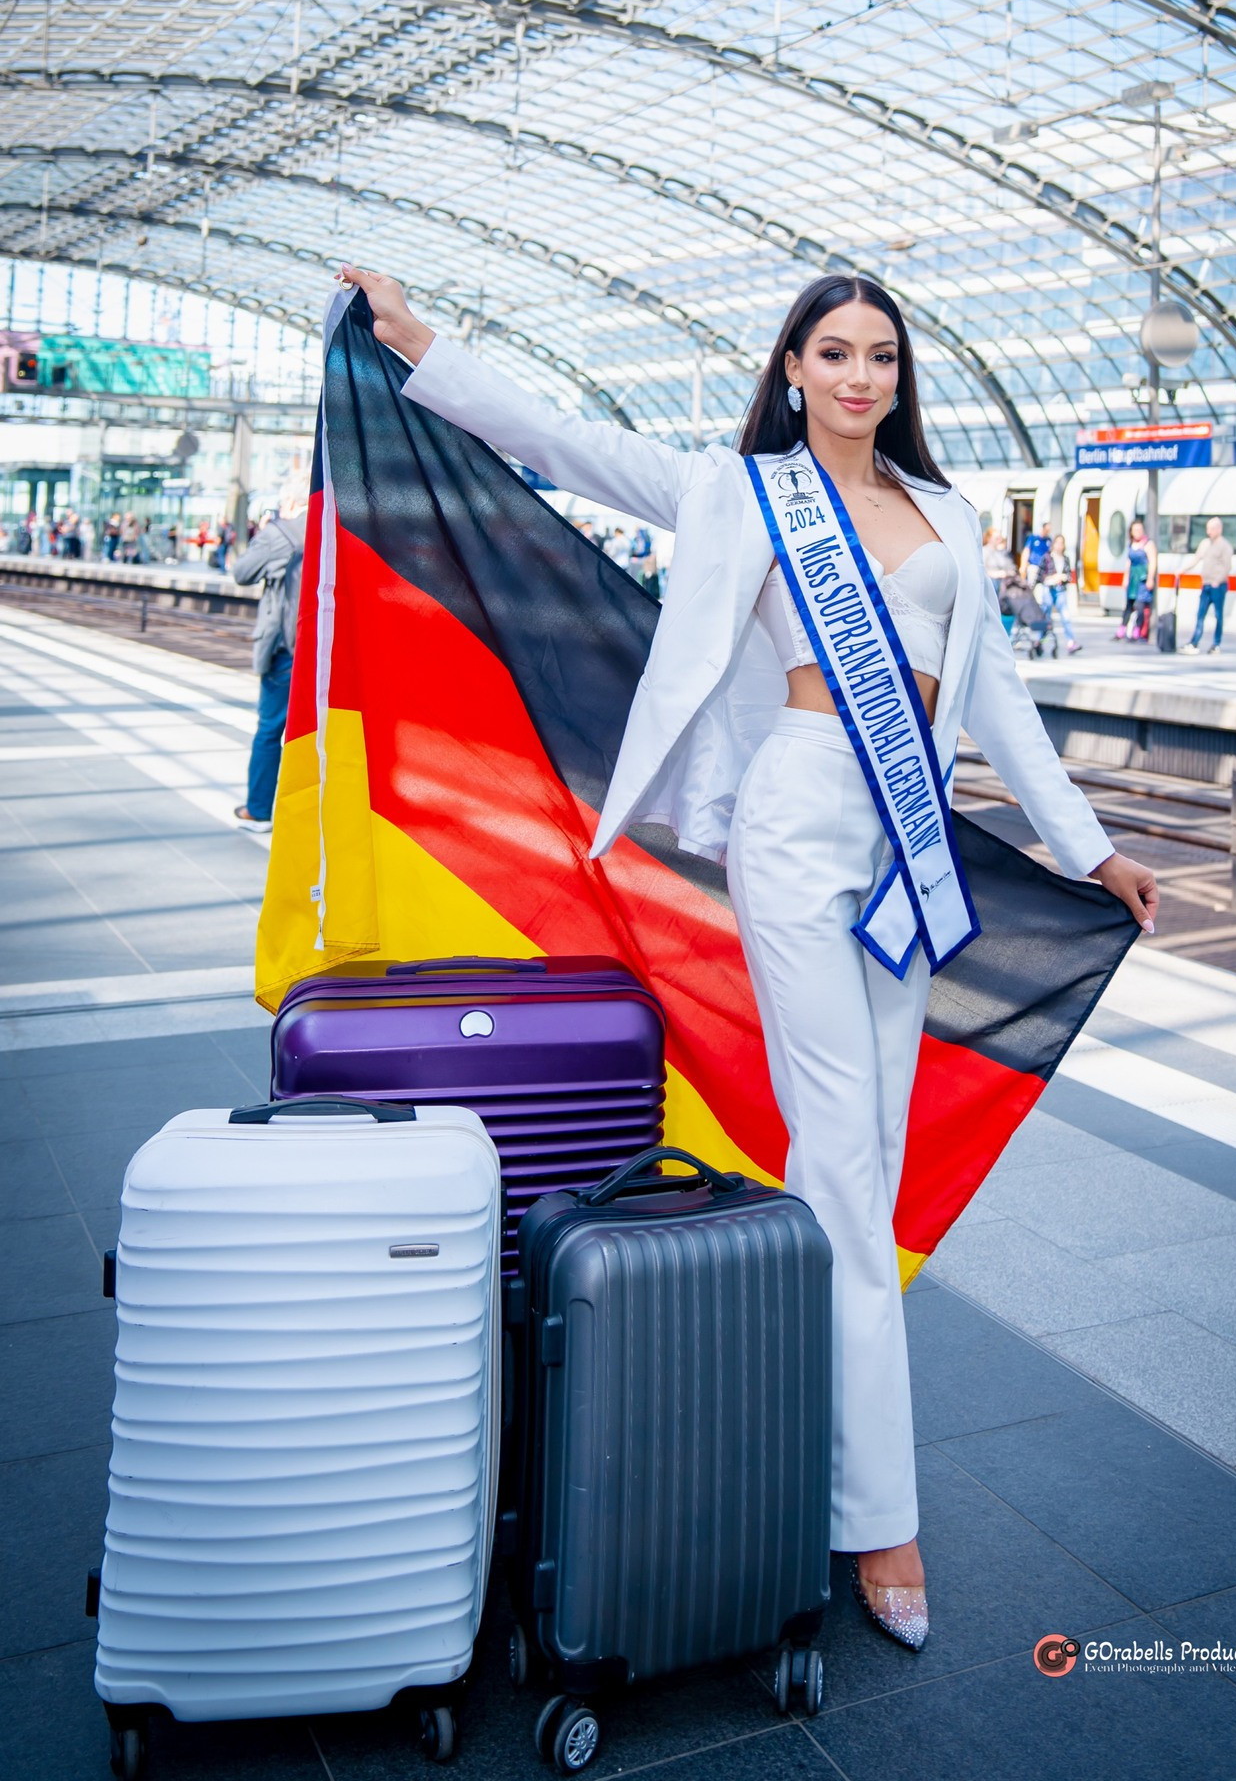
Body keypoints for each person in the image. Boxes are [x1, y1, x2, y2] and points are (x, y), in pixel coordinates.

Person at [338, 261, 1157, 1656]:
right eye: (832, 352)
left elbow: (999, 704)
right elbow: (568, 445)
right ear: (791, 368)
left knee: (869, 1160)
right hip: (793, 817)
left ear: (902, 380)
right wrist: (426, 344)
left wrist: (1086, 848)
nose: (857, 376)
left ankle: (799, 1436)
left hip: (911, 836)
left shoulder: (950, 518)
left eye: (880, 357)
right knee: (840, 1154)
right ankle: (877, 1514)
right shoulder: (745, 493)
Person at [232, 488, 306, 832]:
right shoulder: (338, 522)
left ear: (291, 502)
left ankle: (259, 809)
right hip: (330, 649)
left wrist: (268, 529)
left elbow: (243, 573)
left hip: (287, 649)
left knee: (270, 729)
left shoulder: (281, 532)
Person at [1181, 515, 1235, 656]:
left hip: (1218, 586)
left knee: (1218, 616)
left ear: (1219, 529)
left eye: (1211, 528)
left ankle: (1216, 644)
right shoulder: (1205, 543)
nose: (1208, 531)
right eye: (1207, 528)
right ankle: (1194, 642)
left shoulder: (1225, 546)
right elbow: (1196, 559)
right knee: (1200, 615)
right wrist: (1182, 570)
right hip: (1206, 585)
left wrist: (1218, 580)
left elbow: (1227, 566)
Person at [1037, 535, 1081, 653]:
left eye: (1062, 543)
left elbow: (1069, 576)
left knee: (1065, 616)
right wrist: (1052, 578)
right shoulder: (1047, 558)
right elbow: (1040, 576)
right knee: (1045, 615)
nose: (1060, 546)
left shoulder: (1065, 559)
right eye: (1057, 543)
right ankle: (1038, 640)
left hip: (1060, 590)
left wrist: (1064, 577)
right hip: (1048, 589)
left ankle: (1071, 642)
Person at [1117, 522, 1151, 640]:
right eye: (1135, 530)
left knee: (1140, 606)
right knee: (1129, 605)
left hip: (1142, 578)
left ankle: (1137, 631)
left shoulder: (1148, 544)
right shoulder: (1131, 544)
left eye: (1139, 529)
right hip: (1133, 578)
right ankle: (1121, 630)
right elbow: (1128, 562)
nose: (1137, 532)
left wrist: (1150, 578)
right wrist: (1125, 578)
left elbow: (1153, 562)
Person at [1022, 519, 1052, 585]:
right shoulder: (1033, 538)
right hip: (1034, 566)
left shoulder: (1048, 540)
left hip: (1044, 568)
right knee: (1031, 585)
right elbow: (1026, 551)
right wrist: (1023, 566)